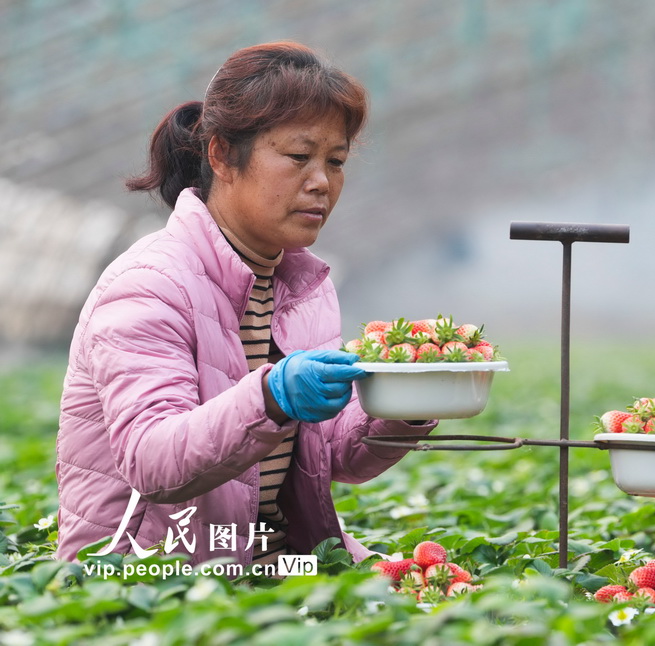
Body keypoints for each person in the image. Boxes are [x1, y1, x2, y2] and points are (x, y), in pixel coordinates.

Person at [55, 42, 435, 568]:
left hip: (276, 568)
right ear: (221, 155)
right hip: (155, 579)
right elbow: (153, 461)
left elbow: (336, 455)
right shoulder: (149, 284)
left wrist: (408, 404)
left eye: (336, 161)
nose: (321, 182)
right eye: (299, 157)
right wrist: (272, 397)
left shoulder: (304, 285)